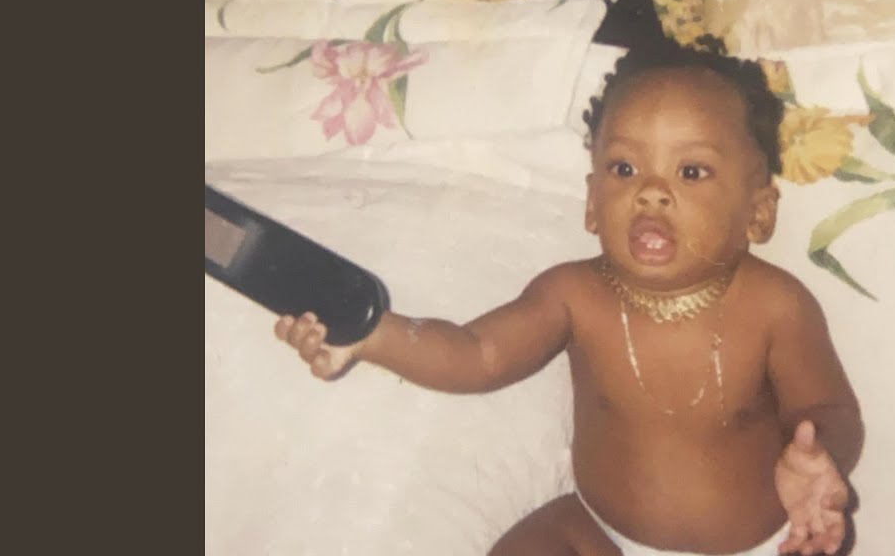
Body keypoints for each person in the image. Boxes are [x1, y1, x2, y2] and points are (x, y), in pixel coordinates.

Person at [275, 37, 863, 556]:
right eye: (624, 168)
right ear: (590, 202)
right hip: (603, 535)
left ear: (758, 212)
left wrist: (819, 459)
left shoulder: (775, 306)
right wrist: (373, 335)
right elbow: (477, 353)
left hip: (767, 542)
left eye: (691, 172)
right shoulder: (573, 295)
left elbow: (830, 410)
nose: (651, 192)